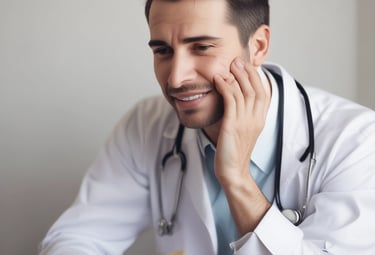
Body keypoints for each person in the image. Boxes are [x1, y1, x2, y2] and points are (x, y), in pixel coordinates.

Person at [39, 0, 375, 254]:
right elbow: (77, 238)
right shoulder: (146, 126)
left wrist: (237, 179)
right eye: (163, 50)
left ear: (257, 46)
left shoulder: (357, 142)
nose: (175, 77)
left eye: (201, 47)